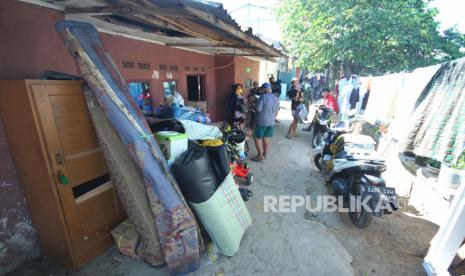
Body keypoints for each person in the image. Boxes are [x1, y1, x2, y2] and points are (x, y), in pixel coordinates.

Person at [253, 83, 279, 162]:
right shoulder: (276, 97)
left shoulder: (263, 96)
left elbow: (259, 109)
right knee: (266, 138)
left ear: (264, 89)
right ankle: (264, 154)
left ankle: (260, 156)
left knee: (256, 138)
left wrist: (253, 105)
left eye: (262, 89)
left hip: (261, 121)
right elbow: (277, 110)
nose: (261, 90)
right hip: (271, 121)